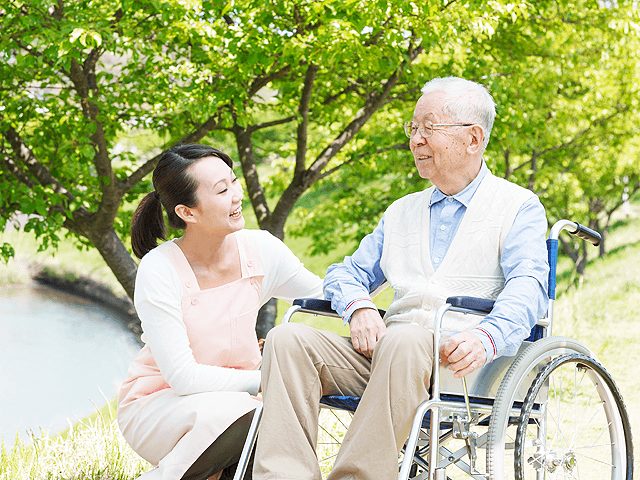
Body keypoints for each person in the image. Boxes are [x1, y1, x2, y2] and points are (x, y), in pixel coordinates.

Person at [253, 77, 549, 480]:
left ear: (474, 138)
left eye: (430, 128)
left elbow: (529, 286)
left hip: (462, 364)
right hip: (387, 355)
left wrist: (487, 336)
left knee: (405, 339)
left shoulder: (517, 206)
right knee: (288, 340)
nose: (416, 140)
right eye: (413, 128)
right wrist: (358, 308)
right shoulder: (401, 212)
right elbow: (345, 273)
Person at [117, 144, 323, 480]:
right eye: (222, 190)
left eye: (234, 182)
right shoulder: (160, 268)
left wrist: (369, 296)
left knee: (269, 425)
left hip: (243, 404)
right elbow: (183, 377)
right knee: (252, 414)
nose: (236, 196)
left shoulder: (262, 249)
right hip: (160, 403)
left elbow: (323, 295)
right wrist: (266, 380)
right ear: (188, 212)